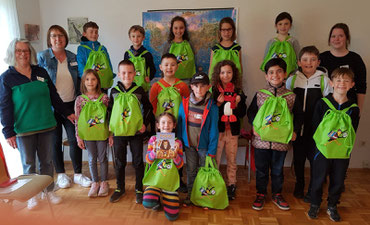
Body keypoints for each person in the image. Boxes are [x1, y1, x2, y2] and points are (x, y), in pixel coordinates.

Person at [0, 38, 75, 209]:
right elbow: (4, 106)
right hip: (24, 129)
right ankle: (32, 195)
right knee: (29, 164)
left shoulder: (41, 71)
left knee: (47, 162)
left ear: (31, 53)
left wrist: (67, 113)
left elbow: (54, 97)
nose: (23, 54)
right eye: (19, 51)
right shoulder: (6, 78)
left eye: (26, 51)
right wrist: (8, 132)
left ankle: (48, 191)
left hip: (46, 124)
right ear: (13, 53)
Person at [37, 25, 91, 189]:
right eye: (54, 36)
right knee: (55, 141)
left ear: (65, 38)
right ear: (49, 39)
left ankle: (78, 174)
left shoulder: (72, 57)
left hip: (71, 106)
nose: (57, 39)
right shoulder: (42, 57)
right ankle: (61, 174)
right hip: (51, 107)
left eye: (61, 35)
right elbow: (39, 83)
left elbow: (81, 79)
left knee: (75, 140)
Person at [247, 58, 303, 211]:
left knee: (278, 170)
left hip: (281, 141)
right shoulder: (260, 94)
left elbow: (299, 115)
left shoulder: (291, 96)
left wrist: (295, 131)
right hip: (261, 141)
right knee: (261, 169)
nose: (275, 75)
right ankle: (261, 193)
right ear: (266, 76)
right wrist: (254, 126)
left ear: (285, 74)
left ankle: (277, 194)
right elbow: (251, 112)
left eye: (279, 71)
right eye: (271, 72)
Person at [307, 68, 359, 222]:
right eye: (338, 80)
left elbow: (352, 130)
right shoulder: (322, 104)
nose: (341, 83)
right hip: (322, 149)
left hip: (341, 151)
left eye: (346, 81)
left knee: (338, 179)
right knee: (318, 177)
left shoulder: (353, 109)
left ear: (351, 85)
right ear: (331, 83)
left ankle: (332, 205)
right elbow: (315, 126)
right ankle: (315, 204)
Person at [285, 46, 333, 202]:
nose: (309, 63)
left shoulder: (323, 80)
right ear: (299, 62)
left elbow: (329, 105)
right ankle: (299, 184)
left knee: (315, 160)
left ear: (318, 62)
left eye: (313, 60)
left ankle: (313, 188)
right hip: (297, 127)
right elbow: (285, 102)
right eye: (305, 59)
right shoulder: (292, 79)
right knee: (298, 159)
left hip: (316, 128)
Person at [108, 60, 153, 203]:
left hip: (136, 133)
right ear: (119, 74)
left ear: (134, 74)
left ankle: (139, 188)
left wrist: (145, 124)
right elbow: (109, 111)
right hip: (119, 133)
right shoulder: (114, 92)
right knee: (119, 162)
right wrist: (110, 132)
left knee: (138, 161)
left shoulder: (139, 91)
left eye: (130, 72)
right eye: (123, 72)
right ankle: (120, 188)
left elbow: (149, 108)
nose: (127, 75)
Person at [177, 72, 219, 206]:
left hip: (204, 147)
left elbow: (214, 130)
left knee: (203, 171)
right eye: (196, 86)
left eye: (202, 86)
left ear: (208, 87)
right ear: (191, 87)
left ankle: (203, 197)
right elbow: (180, 124)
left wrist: (212, 150)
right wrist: (179, 143)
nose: (199, 89)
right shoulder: (184, 103)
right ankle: (190, 195)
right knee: (191, 170)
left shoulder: (212, 106)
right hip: (189, 146)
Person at [149, 53, 189, 192]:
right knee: (161, 152)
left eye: (172, 64)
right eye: (166, 65)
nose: (169, 67)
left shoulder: (182, 86)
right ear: (161, 67)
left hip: (178, 125)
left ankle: (178, 178)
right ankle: (160, 177)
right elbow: (153, 106)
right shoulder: (156, 86)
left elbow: (187, 105)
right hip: (162, 127)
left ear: (177, 67)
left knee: (177, 152)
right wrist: (158, 124)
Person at [211, 60, 247, 200]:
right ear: (218, 74)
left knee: (232, 159)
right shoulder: (214, 90)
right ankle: (215, 183)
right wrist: (218, 104)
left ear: (234, 74)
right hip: (218, 131)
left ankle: (231, 184)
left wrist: (237, 104)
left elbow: (242, 113)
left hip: (232, 131)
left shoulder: (239, 92)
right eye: (222, 72)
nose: (226, 75)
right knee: (216, 159)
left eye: (229, 72)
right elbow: (210, 113)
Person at [74, 69, 113, 197]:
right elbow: (78, 119)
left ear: (98, 81)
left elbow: (109, 118)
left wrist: (110, 133)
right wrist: (78, 136)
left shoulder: (104, 98)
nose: (90, 82)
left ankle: (104, 182)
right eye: (87, 79)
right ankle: (95, 182)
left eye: (93, 79)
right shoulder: (80, 100)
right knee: (91, 159)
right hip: (88, 134)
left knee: (102, 158)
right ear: (83, 82)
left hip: (101, 133)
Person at [143, 112, 184, 221]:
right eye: (163, 122)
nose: (166, 125)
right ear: (158, 125)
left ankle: (166, 196)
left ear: (174, 125)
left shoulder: (177, 142)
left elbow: (180, 165)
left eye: (170, 122)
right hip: (155, 179)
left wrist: (175, 156)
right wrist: (154, 154)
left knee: (172, 217)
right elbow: (148, 160)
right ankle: (157, 197)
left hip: (170, 181)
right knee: (147, 202)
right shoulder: (153, 140)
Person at [319, 23, 366, 113]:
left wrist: (358, 109)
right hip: (325, 108)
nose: (336, 39)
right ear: (329, 39)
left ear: (347, 38)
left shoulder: (355, 59)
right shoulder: (321, 58)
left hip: (348, 108)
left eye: (340, 36)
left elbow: (361, 86)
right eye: (333, 36)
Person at [77, 21, 115, 90]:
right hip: (89, 84)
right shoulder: (82, 48)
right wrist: (84, 81)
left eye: (96, 32)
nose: (94, 34)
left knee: (103, 100)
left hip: (103, 84)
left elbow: (108, 64)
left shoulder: (103, 48)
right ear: (84, 34)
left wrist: (109, 79)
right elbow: (81, 65)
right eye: (91, 32)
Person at [260, 12, 300, 76]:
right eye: (280, 24)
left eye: (286, 24)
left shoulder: (293, 41)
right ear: (276, 26)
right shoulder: (271, 42)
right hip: (273, 77)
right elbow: (265, 59)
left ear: (290, 25)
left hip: (290, 76)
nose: (283, 26)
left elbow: (298, 60)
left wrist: (293, 74)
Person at [124, 25, 156, 92]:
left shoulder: (147, 54)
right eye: (133, 36)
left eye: (139, 36)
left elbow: (153, 69)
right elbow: (124, 69)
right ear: (130, 38)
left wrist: (149, 78)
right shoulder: (127, 54)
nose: (136, 39)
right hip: (130, 86)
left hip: (143, 86)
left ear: (143, 37)